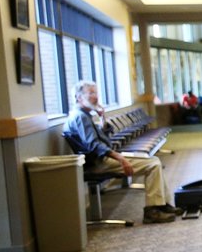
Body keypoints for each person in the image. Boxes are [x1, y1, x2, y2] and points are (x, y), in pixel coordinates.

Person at [64, 81, 180, 224]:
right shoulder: (80, 117)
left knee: (154, 160)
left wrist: (102, 118)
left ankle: (162, 204)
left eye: (96, 92)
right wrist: (120, 158)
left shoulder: (82, 115)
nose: (96, 96)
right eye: (91, 93)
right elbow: (94, 145)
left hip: (101, 159)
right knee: (153, 164)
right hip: (98, 163)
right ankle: (153, 211)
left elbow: (104, 141)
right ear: (78, 97)